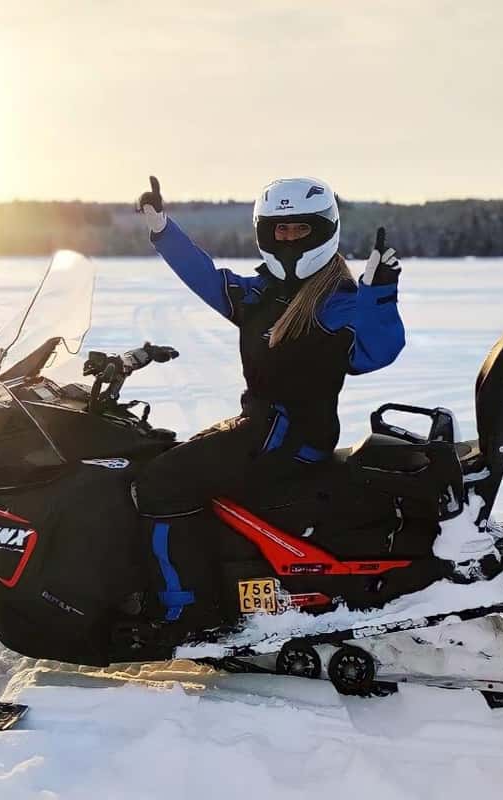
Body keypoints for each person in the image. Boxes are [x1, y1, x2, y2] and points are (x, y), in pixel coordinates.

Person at [131, 175, 405, 619]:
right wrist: (164, 231)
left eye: (301, 229)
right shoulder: (260, 294)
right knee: (162, 457)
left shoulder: (337, 302)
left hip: (292, 439)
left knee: (159, 484)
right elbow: (206, 277)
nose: (290, 238)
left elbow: (377, 352)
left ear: (322, 230)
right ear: (266, 232)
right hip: (261, 430)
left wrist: (379, 294)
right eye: (281, 229)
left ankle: (182, 608)